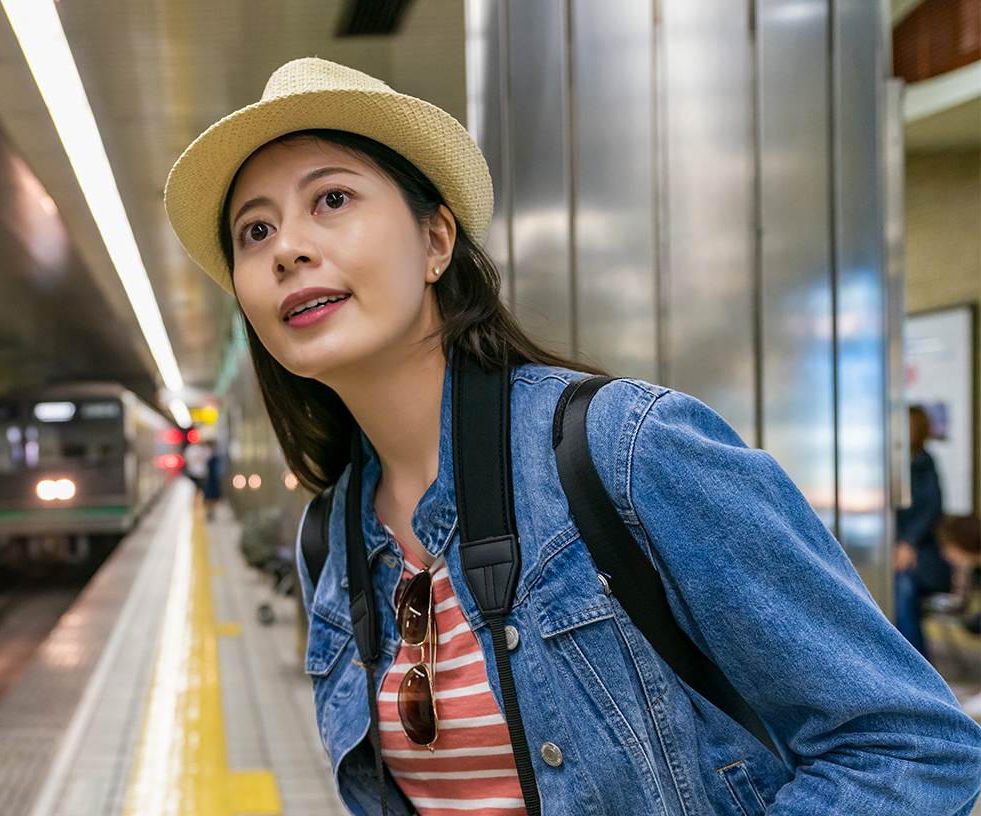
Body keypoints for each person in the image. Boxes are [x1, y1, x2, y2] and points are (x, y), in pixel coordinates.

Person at [163, 58, 981, 816]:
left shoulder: (625, 451)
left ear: (437, 241)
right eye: (254, 231)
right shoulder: (331, 542)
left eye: (332, 200)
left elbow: (911, 746)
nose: (287, 249)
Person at [895, 405, 952, 656]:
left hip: (924, 555)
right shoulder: (890, 464)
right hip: (892, 551)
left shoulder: (925, 463)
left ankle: (915, 665)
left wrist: (909, 543)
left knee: (904, 588)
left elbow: (932, 509)